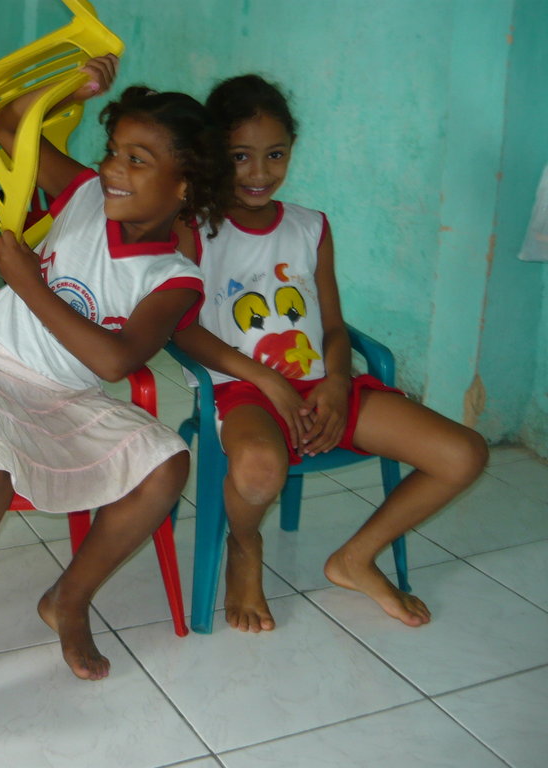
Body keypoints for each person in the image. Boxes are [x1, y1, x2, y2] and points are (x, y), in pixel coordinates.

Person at [0, 55, 230, 741]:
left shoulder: (176, 276)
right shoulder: (80, 192)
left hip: (68, 390)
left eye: (138, 161)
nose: (112, 170)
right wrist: (64, 91)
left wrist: (27, 282)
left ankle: (68, 600)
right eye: (113, 153)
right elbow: (4, 126)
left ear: (185, 184)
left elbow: (114, 359)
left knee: (166, 464)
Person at [172, 74, 488, 634]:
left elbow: (335, 327)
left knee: (464, 453)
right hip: (242, 388)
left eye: (276, 155)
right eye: (240, 156)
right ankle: (245, 546)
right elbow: (186, 331)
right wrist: (268, 383)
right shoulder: (195, 229)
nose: (261, 172)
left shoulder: (310, 227)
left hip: (321, 383)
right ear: (214, 155)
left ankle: (355, 558)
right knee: (259, 471)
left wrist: (338, 382)